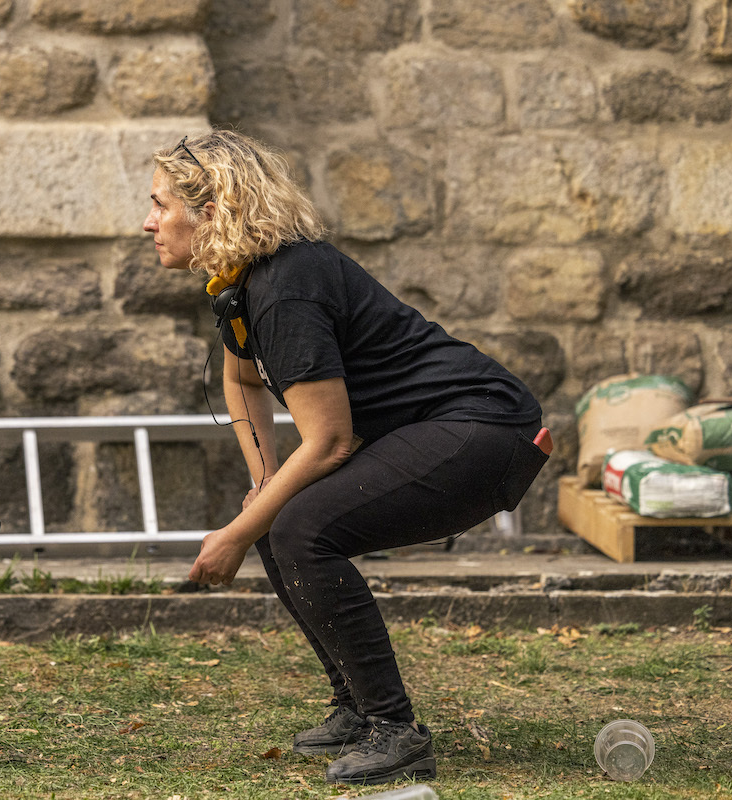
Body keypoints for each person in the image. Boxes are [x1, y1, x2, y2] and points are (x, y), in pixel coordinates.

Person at [143, 130, 549, 786]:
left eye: (160, 205)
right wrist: (264, 483)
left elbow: (330, 441)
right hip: (441, 429)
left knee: (300, 530)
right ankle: (357, 710)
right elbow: (242, 381)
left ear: (211, 212)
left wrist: (236, 533)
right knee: (281, 517)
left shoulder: (286, 288)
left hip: (486, 431)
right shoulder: (243, 283)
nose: (149, 222)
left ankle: (395, 730)